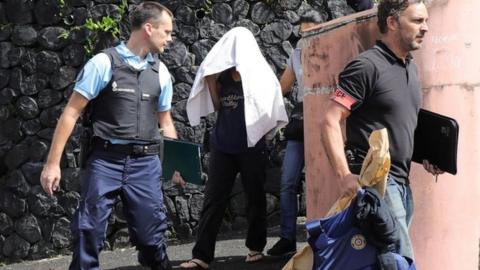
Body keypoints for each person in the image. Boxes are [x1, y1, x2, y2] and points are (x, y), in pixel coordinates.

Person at [39, 2, 176, 270]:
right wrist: (52, 164)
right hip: (105, 161)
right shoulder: (103, 63)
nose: (170, 39)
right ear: (149, 28)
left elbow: (166, 122)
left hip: (145, 164)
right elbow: (71, 113)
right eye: (167, 32)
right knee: (87, 232)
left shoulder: (162, 73)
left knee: (151, 238)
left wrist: (176, 162)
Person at [320, 0, 443, 260]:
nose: (426, 28)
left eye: (427, 21)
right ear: (392, 22)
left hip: (402, 183)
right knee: (399, 258)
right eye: (418, 21)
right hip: (378, 183)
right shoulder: (366, 66)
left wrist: (428, 155)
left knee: (382, 259)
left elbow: (399, 123)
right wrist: (343, 175)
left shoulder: (410, 67)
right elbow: (330, 121)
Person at [180, 27, 288, 269]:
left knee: (255, 196)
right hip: (223, 144)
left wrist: (264, 136)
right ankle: (202, 255)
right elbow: (219, 106)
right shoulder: (223, 76)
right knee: (214, 198)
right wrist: (210, 81)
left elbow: (272, 107)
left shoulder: (259, 75)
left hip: (252, 146)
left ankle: (255, 247)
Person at [267, 10, 324, 257]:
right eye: (302, 32)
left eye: (311, 31)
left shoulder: (331, 50)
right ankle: (287, 238)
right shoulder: (297, 53)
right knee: (288, 180)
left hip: (325, 117)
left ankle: (324, 237)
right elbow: (282, 87)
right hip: (302, 118)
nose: (306, 36)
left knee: (322, 181)